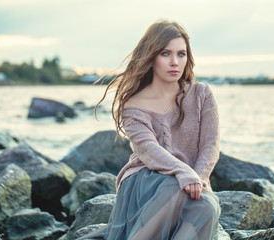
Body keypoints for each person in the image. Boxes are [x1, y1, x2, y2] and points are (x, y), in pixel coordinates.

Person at [79, 19, 221, 240]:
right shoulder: (133, 104)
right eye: (166, 54)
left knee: (207, 207)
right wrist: (182, 172)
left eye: (181, 54)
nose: (175, 62)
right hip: (145, 179)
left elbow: (210, 146)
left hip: (192, 178)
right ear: (151, 57)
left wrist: (197, 179)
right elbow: (148, 150)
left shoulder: (202, 94)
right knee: (172, 187)